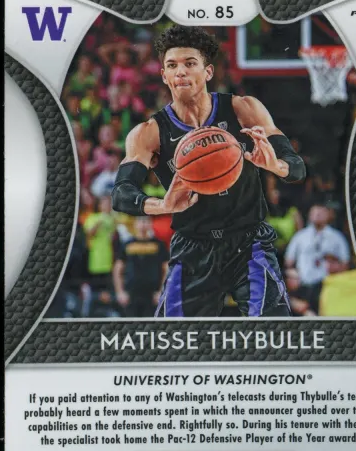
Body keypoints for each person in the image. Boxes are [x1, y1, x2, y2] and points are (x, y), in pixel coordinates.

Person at [111, 25, 306, 317]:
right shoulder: (149, 133)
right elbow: (121, 194)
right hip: (193, 248)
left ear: (208, 72)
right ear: (164, 75)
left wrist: (275, 165)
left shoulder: (243, 109)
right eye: (172, 66)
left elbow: (297, 168)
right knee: (172, 341)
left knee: (271, 331)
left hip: (249, 241)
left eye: (190, 63)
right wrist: (163, 205)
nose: (180, 72)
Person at [284, 202, 350, 314]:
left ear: (328, 215)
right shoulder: (300, 237)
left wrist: (335, 266)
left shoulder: (337, 238)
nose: (317, 215)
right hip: (303, 286)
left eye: (321, 212)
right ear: (309, 215)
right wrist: (293, 276)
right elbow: (288, 262)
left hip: (328, 287)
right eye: (314, 212)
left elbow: (345, 265)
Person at [113, 216, 169, 317]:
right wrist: (120, 292)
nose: (143, 224)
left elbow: (166, 269)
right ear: (135, 224)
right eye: (140, 221)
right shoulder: (127, 244)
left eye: (146, 221)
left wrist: (162, 292)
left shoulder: (158, 245)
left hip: (152, 295)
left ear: (150, 224)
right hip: (131, 294)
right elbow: (117, 270)